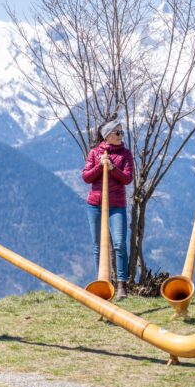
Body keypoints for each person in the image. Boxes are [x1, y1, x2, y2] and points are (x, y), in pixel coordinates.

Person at [82, 118, 134, 300]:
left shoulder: (126, 154)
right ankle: (102, 283)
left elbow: (128, 179)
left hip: (116, 206)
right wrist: (100, 165)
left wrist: (112, 168)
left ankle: (122, 285)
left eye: (122, 132)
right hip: (95, 205)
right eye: (117, 132)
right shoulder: (95, 153)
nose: (121, 136)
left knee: (119, 244)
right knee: (99, 246)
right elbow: (86, 177)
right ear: (108, 135)